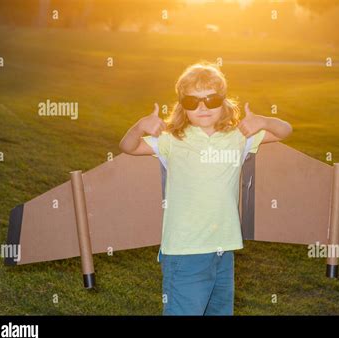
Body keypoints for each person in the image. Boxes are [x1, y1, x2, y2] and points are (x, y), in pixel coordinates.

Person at [119, 61, 292, 315]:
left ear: (223, 101)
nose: (202, 107)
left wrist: (263, 122)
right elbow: (128, 147)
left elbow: (285, 130)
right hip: (185, 250)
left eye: (211, 100)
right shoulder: (172, 138)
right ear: (182, 106)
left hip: (223, 248)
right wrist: (140, 126)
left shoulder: (239, 136)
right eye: (192, 102)